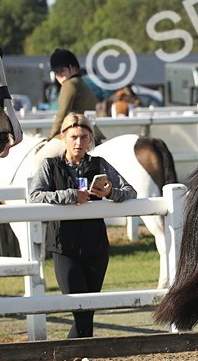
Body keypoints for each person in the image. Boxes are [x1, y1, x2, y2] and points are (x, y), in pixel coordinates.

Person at [29, 113, 135, 338]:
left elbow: (130, 191)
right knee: (79, 308)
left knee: (89, 308)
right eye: (74, 136)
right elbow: (35, 196)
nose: (79, 142)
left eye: (84, 137)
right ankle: (77, 352)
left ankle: (80, 354)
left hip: (96, 245)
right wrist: (71, 196)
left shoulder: (100, 164)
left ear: (91, 139)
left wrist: (110, 193)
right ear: (64, 137)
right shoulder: (50, 166)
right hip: (64, 246)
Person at [48, 48, 102, 140]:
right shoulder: (84, 84)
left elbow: (62, 114)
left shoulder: (69, 84)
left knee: (43, 154)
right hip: (93, 134)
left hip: (75, 135)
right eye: (56, 73)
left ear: (73, 68)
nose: (59, 76)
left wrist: (51, 136)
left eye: (62, 71)